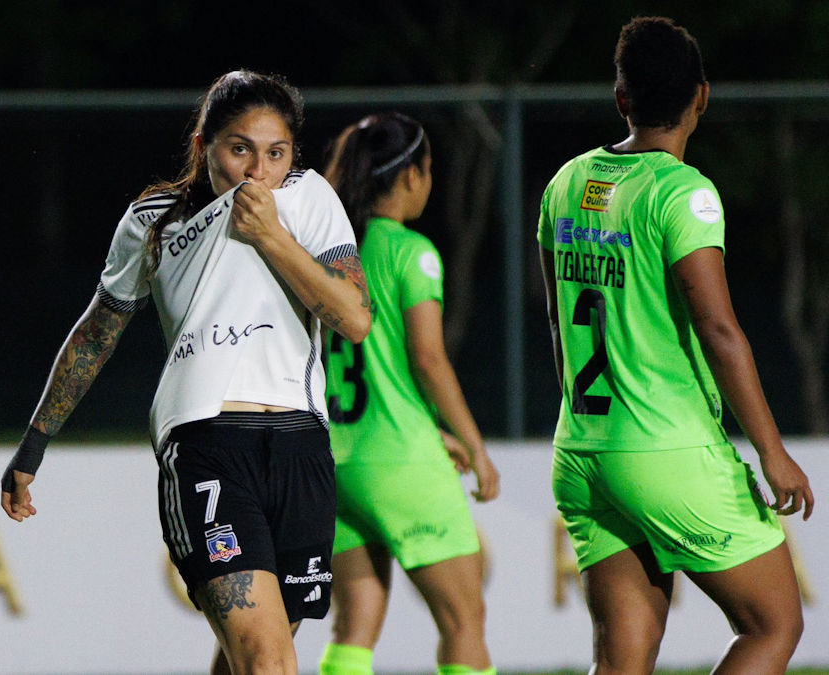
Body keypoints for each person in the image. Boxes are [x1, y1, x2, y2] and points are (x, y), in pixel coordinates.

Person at [1, 70, 372, 675]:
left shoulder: (306, 197)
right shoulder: (155, 218)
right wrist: (33, 444)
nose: (257, 170)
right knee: (266, 658)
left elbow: (354, 319)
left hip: (302, 447)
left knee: (253, 654)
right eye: (239, 148)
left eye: (275, 153)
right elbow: (96, 333)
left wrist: (272, 238)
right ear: (205, 144)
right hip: (207, 445)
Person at [537, 16, 814, 674]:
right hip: (666, 450)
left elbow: (556, 321)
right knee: (774, 622)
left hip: (583, 449)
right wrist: (772, 453)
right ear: (702, 96)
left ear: (621, 98)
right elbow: (719, 330)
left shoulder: (566, 183)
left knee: (622, 658)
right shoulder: (682, 193)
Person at [318, 112, 500, 675]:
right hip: (400, 460)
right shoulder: (412, 251)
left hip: (338, 460)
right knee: (464, 621)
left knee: (355, 626)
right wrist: (474, 444)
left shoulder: (325, 251)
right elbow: (426, 357)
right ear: (413, 175)